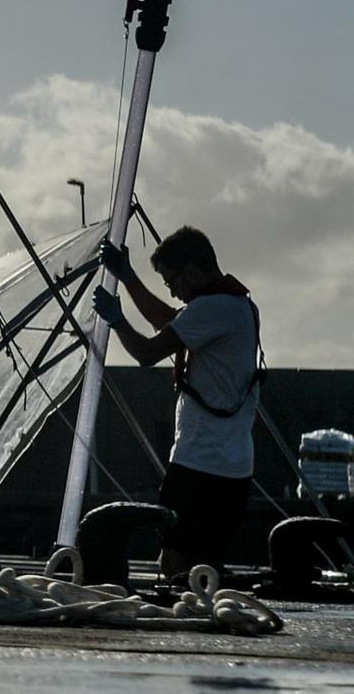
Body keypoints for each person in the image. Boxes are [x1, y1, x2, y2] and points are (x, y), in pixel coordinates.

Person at [91, 226, 261, 582]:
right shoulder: (237, 305)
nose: (173, 291)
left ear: (193, 271)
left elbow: (147, 352)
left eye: (173, 282)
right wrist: (129, 277)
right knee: (206, 569)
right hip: (234, 468)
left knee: (174, 565)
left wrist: (117, 320)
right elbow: (170, 322)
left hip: (198, 463)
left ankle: (190, 627)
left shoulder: (212, 307)